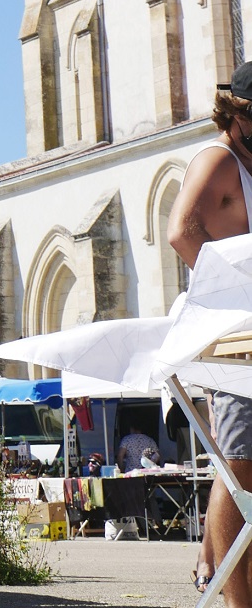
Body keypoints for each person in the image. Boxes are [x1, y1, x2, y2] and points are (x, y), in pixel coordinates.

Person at [168, 62, 252, 604]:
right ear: (243, 113)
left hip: (246, 332)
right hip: (230, 331)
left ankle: (221, 570)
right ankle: (234, 598)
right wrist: (236, 296)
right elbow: (181, 232)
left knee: (243, 462)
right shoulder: (219, 158)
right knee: (239, 463)